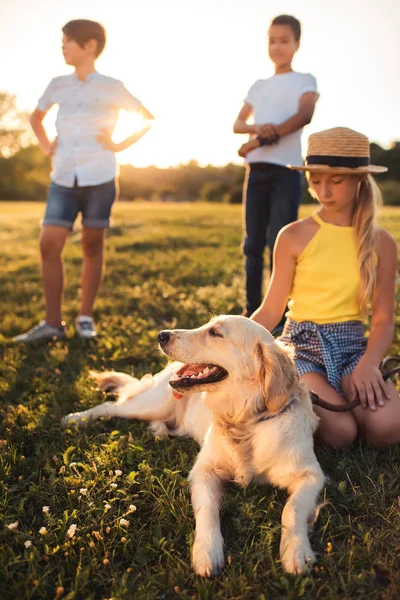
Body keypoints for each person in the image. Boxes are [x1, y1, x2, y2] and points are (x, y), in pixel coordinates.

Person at [251, 127, 400, 448]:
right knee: (341, 433)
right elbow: (272, 309)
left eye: (335, 180)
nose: (323, 190)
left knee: (387, 428)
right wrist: (227, 344)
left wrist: (369, 364)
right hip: (300, 345)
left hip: (351, 346)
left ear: (359, 179)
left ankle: (349, 395)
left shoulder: (383, 244)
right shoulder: (292, 235)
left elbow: (383, 320)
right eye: (316, 179)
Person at [14, 19, 154, 343]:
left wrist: (119, 145)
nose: (63, 46)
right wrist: (46, 145)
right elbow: (36, 117)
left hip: (100, 176)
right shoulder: (57, 83)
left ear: (89, 45)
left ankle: (85, 317)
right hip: (63, 175)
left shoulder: (112, 85)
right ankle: (52, 324)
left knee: (93, 244)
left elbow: (147, 117)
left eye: (68, 41)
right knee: (49, 242)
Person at [233, 14, 319, 324]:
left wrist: (264, 138)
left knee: (279, 245)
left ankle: (279, 314)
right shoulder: (259, 85)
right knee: (252, 244)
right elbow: (238, 124)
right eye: (272, 40)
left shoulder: (305, 80)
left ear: (296, 44)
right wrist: (258, 129)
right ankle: (251, 310)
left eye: (284, 40)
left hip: (285, 172)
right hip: (256, 172)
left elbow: (304, 115)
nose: (277, 46)